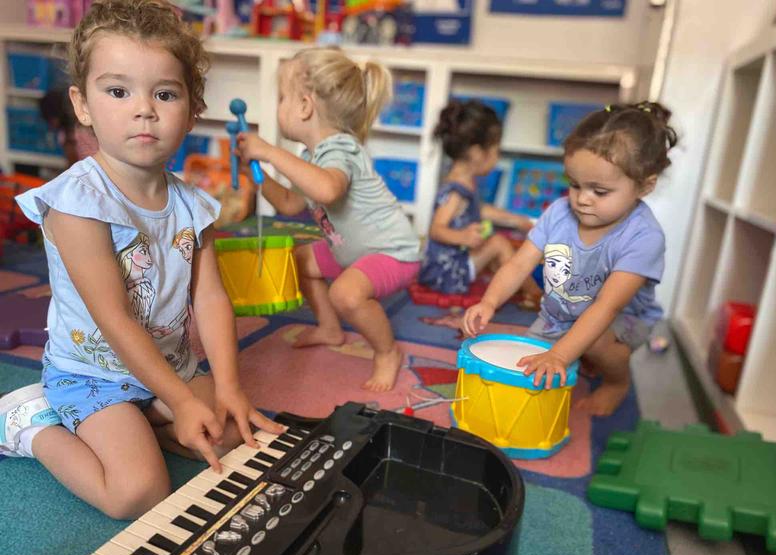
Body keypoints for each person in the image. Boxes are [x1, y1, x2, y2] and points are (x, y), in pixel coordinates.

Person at [0, 0, 285, 520]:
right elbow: (114, 320)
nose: (144, 109)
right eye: (118, 91)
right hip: (93, 375)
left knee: (237, 442)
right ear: (82, 105)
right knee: (138, 491)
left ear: (193, 110)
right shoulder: (77, 203)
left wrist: (228, 387)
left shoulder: (194, 205)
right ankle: (31, 425)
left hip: (168, 364)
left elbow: (210, 298)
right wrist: (183, 401)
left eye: (165, 94)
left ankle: (151, 417)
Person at [463, 102, 677, 417]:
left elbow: (607, 306)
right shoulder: (559, 212)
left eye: (600, 192)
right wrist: (489, 301)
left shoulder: (644, 237)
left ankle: (616, 382)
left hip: (622, 319)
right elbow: (519, 264)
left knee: (595, 343)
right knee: (525, 365)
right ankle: (577, 349)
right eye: (575, 185)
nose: (582, 199)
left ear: (645, 186)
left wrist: (560, 356)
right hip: (562, 310)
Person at [236, 47, 421, 392]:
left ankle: (387, 352)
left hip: (392, 252)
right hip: (350, 250)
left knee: (346, 294)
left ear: (305, 106)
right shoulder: (311, 155)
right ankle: (329, 328)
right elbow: (291, 203)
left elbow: (328, 190)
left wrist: (270, 152)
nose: (278, 106)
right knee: (301, 259)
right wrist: (256, 175)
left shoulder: (340, 148)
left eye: (282, 98)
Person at [419, 99, 542, 308]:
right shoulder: (455, 191)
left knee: (496, 242)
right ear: (477, 153)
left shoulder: (463, 182)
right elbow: (436, 230)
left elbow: (480, 210)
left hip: (452, 265)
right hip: (446, 274)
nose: (497, 158)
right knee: (499, 243)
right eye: (496, 151)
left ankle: (522, 287)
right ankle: (536, 294)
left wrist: (516, 220)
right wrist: (462, 236)